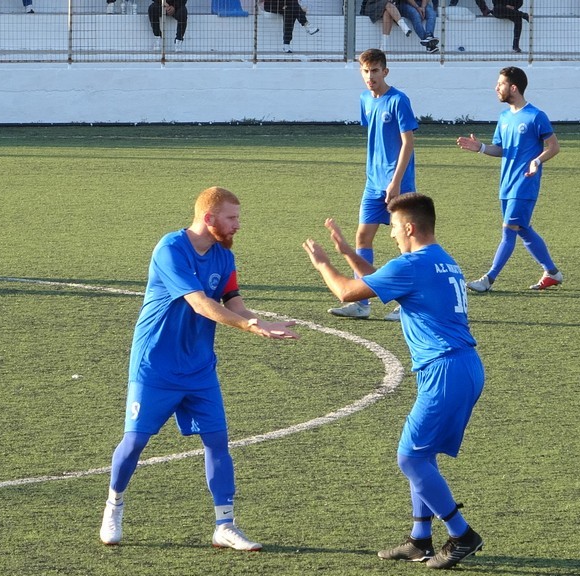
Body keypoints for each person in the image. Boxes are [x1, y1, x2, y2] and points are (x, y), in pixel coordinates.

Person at [99, 186, 299, 550]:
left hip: (199, 367)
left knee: (217, 442)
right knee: (135, 442)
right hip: (155, 365)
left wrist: (260, 322)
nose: (238, 225)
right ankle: (114, 505)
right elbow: (200, 303)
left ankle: (225, 526)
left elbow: (233, 303)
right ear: (209, 218)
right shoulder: (170, 249)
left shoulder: (224, 256)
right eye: (231, 218)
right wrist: (249, 327)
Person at [303, 193, 486, 570]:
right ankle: (420, 539)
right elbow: (383, 281)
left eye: (395, 229)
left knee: (410, 457)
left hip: (445, 370)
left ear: (410, 228)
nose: (391, 236)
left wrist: (323, 264)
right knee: (422, 455)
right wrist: (347, 253)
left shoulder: (413, 264)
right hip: (463, 366)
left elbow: (347, 292)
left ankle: (462, 534)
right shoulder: (442, 260)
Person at [328, 48, 417, 321]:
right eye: (366, 71)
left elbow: (408, 143)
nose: (370, 76)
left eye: (375, 71)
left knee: (406, 244)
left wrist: (396, 181)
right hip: (372, 184)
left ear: (385, 71)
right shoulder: (365, 99)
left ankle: (409, 305)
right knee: (362, 238)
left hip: (397, 184)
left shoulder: (399, 100)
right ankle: (361, 303)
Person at [456, 67, 562, 293]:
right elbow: (501, 150)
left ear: (513, 88)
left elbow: (554, 147)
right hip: (506, 184)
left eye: (501, 84)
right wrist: (481, 147)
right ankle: (552, 272)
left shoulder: (536, 116)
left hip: (525, 183)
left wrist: (537, 161)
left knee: (509, 229)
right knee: (522, 229)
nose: (496, 88)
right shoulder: (504, 117)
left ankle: (488, 280)